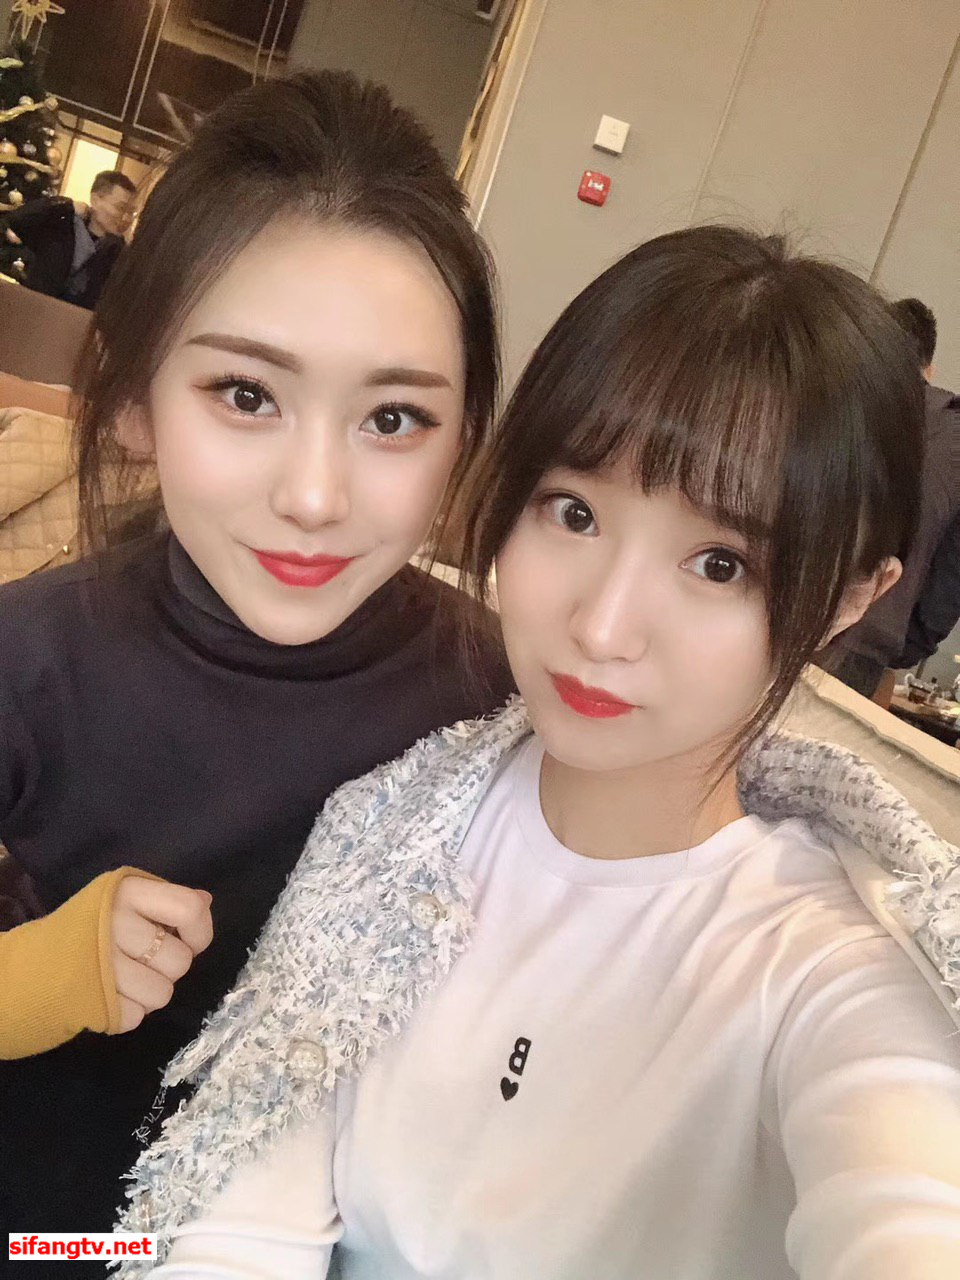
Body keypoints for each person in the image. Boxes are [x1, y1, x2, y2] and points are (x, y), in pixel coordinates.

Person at [124, 228, 960, 1280]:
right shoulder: (385, 834)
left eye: (719, 563)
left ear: (849, 598)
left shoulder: (836, 971)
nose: (602, 626)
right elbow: (241, 1225)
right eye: (574, 512)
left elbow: (908, 1206)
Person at [0, 70, 514, 1265]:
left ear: (463, 438)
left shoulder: (501, 697)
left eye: (393, 418)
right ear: (136, 400)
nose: (315, 496)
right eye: (246, 393)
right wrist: (44, 971)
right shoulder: (32, 656)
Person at [824, 296, 960, 698]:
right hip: (867, 640)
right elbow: (951, 575)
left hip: (777, 616)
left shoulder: (832, 402)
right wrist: (904, 643)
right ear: (929, 369)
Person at [2, 168, 135, 308]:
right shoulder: (62, 226)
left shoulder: (120, 254)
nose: (126, 218)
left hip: (75, 318)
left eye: (131, 212)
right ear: (96, 200)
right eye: (121, 208)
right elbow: (17, 220)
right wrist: (66, 205)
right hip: (32, 307)